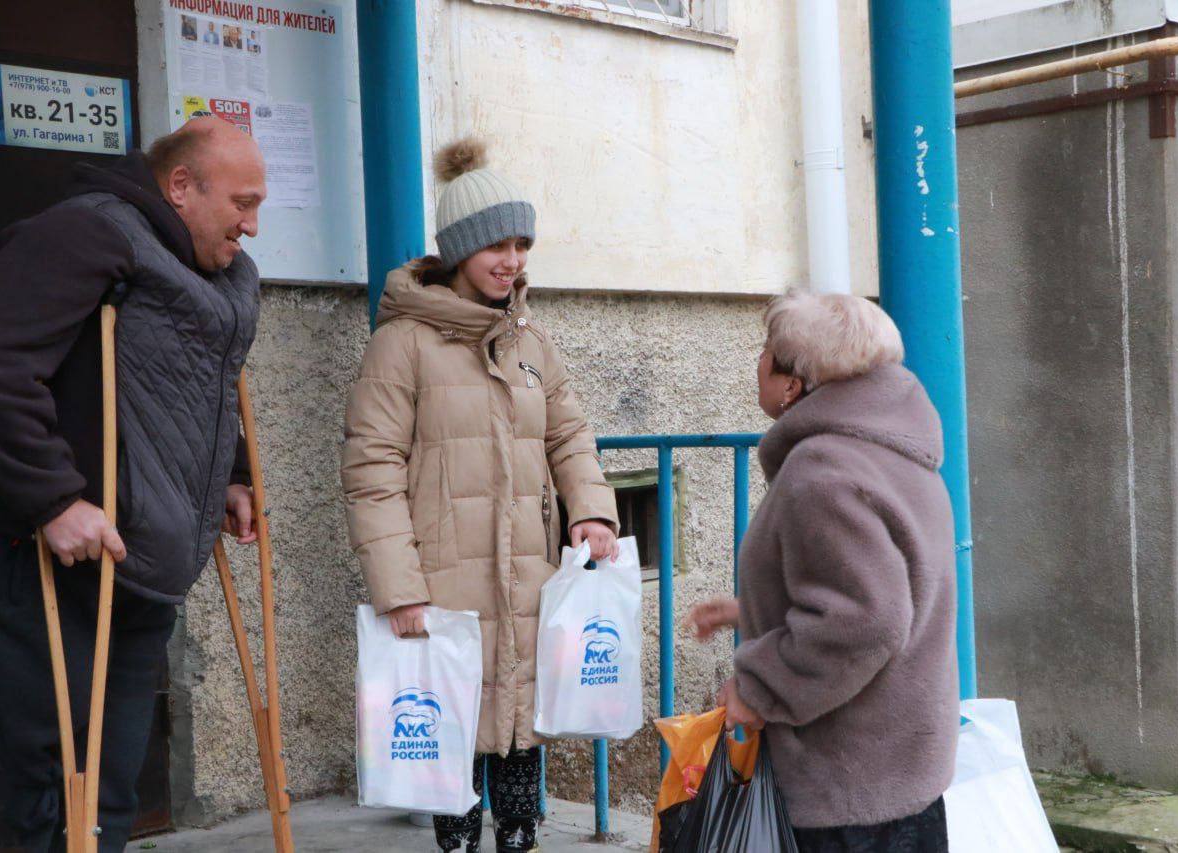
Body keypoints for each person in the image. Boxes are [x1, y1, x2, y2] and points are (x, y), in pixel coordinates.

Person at [0, 115, 267, 852]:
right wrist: (54, 496)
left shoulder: (203, 268)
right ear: (181, 186)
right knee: (57, 789)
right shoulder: (85, 234)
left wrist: (234, 475)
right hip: (33, 557)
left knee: (105, 793)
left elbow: (184, 389)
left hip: (135, 565)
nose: (251, 225)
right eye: (242, 203)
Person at [342, 138, 619, 852]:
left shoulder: (528, 341)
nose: (513, 259)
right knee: (454, 737)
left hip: (525, 577)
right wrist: (398, 586)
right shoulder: (402, 344)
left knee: (521, 731)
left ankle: (520, 839)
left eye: (522, 242)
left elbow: (570, 434)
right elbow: (371, 468)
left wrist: (591, 509)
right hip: (444, 584)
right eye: (496, 242)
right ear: (459, 247)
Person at [687, 291, 959, 852]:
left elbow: (866, 622)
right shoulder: (894, 451)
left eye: (766, 350)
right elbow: (890, 588)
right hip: (901, 780)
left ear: (794, 382)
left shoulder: (823, 470)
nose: (758, 362)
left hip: (848, 796)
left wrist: (757, 689)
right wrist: (754, 608)